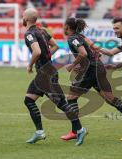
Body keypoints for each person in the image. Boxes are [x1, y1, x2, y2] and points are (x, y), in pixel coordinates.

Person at [61, 17, 122, 141]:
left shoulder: (73, 38)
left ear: (67, 27)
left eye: (64, 26)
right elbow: (93, 48)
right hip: (99, 68)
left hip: (91, 71)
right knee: (111, 99)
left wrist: (73, 65)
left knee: (71, 98)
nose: (63, 28)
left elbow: (83, 53)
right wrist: (88, 60)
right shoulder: (81, 36)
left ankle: (76, 130)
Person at [22, 8, 87, 146]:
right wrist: (46, 57)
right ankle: (39, 132)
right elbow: (55, 46)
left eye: (23, 15)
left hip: (46, 75)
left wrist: (30, 65)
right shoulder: (43, 31)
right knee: (29, 100)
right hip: (44, 73)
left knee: (62, 104)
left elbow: (37, 51)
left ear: (26, 18)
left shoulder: (29, 34)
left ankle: (80, 129)